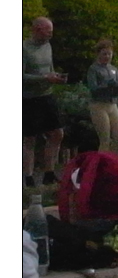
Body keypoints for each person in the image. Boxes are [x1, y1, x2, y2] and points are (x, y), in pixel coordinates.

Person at [23, 16, 68, 187]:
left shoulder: (48, 46)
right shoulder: (23, 48)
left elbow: (49, 67)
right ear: (38, 29)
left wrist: (55, 76)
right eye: (48, 30)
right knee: (30, 138)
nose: (51, 34)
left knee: (57, 133)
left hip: (46, 95)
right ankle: (28, 177)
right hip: (29, 98)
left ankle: (49, 172)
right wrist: (44, 77)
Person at [86, 39, 118, 154]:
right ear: (98, 54)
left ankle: (113, 161)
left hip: (112, 104)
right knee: (105, 139)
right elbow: (93, 88)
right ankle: (101, 165)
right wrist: (106, 86)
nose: (107, 56)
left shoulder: (113, 69)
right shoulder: (94, 69)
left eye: (109, 54)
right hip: (98, 105)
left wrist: (116, 88)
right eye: (104, 54)